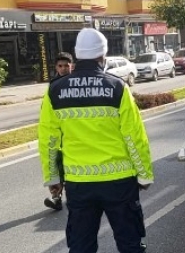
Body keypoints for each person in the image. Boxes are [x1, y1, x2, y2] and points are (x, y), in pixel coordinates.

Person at [39, 28, 154, 253]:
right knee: (132, 243)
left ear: (78, 55)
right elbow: (134, 136)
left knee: (81, 246)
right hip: (119, 182)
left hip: (79, 184)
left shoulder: (55, 91)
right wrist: (144, 174)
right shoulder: (118, 87)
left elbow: (49, 140)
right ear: (103, 56)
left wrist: (53, 177)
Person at [43, 52, 74, 211]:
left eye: (66, 66)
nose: (63, 69)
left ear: (72, 66)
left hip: (72, 134)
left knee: (67, 167)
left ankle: (64, 196)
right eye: (60, 66)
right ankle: (56, 197)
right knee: (55, 165)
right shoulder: (53, 85)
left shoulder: (76, 83)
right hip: (57, 135)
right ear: (56, 67)